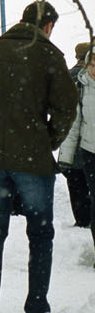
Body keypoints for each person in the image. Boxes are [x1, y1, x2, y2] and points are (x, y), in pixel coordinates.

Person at [0, 0, 77, 313]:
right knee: (40, 233)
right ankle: (37, 306)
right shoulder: (50, 55)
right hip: (33, 161)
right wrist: (47, 139)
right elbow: (67, 108)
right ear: (49, 26)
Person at [62, 43, 94, 233]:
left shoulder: (69, 75)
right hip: (84, 144)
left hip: (76, 144)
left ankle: (82, 218)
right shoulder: (80, 82)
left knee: (76, 184)